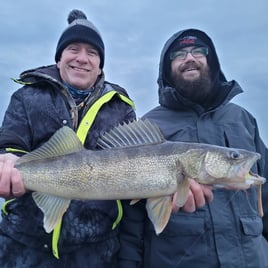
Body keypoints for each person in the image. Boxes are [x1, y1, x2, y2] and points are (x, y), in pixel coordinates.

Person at [118, 28, 268, 267]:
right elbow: (131, 220)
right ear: (167, 70)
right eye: (179, 54)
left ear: (212, 61)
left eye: (198, 51)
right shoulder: (149, 127)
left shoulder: (244, 120)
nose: (189, 57)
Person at [0, 9, 135, 267]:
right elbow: (10, 142)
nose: (82, 58)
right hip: (22, 246)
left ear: (100, 66)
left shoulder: (122, 107)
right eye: (73, 49)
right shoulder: (26, 97)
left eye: (92, 53)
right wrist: (7, 159)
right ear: (59, 58)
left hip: (95, 252)